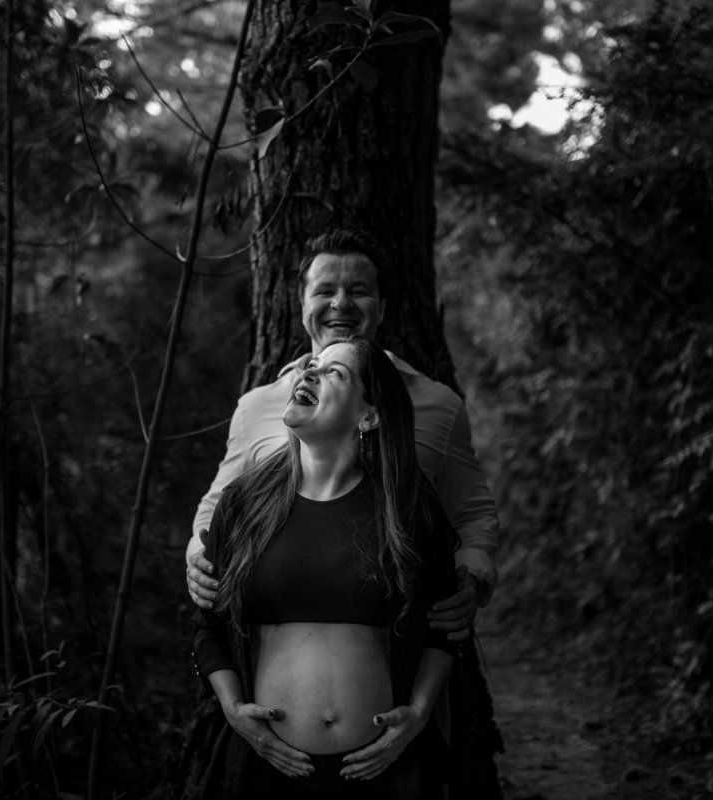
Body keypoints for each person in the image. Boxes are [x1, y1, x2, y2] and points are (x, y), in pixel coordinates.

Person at [186, 227, 500, 640]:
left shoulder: (440, 404)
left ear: (382, 308)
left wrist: (469, 574)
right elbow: (218, 505)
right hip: (277, 630)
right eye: (324, 290)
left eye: (358, 290)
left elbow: (472, 512)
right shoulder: (257, 406)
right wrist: (200, 558)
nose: (340, 303)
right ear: (302, 305)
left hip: (406, 633)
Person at [192, 336, 459, 799]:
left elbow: (444, 627)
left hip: (385, 772)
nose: (309, 372)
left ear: (369, 415)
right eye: (312, 365)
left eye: (334, 372)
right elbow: (208, 626)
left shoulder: (406, 506)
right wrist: (234, 711)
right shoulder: (243, 503)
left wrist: (418, 714)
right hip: (267, 770)